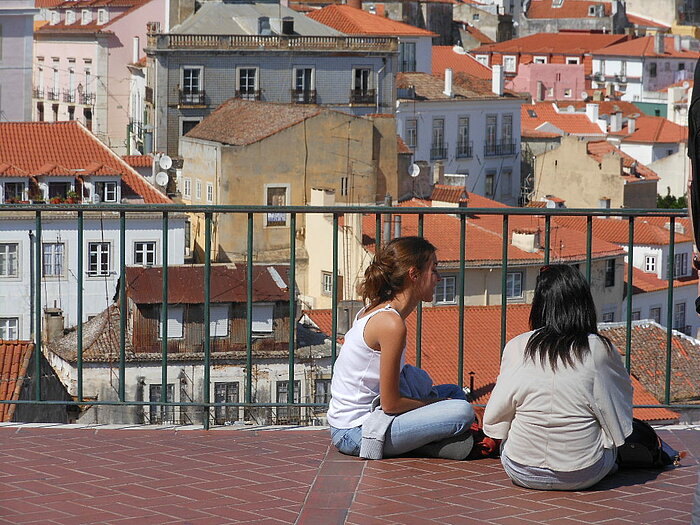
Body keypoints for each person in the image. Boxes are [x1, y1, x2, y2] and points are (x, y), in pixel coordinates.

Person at [483, 264, 633, 490]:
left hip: (521, 470)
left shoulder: (517, 346)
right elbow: (618, 406)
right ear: (583, 302)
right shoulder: (598, 349)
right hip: (583, 473)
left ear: (539, 305)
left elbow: (497, 415)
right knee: (607, 449)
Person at [327, 236, 475, 460]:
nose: (439, 278)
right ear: (414, 274)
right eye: (433, 270)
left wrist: (438, 404)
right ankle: (426, 444)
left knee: (455, 392)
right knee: (461, 411)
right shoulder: (390, 323)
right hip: (356, 432)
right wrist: (436, 405)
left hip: (367, 418)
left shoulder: (379, 309)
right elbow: (391, 403)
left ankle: (425, 442)